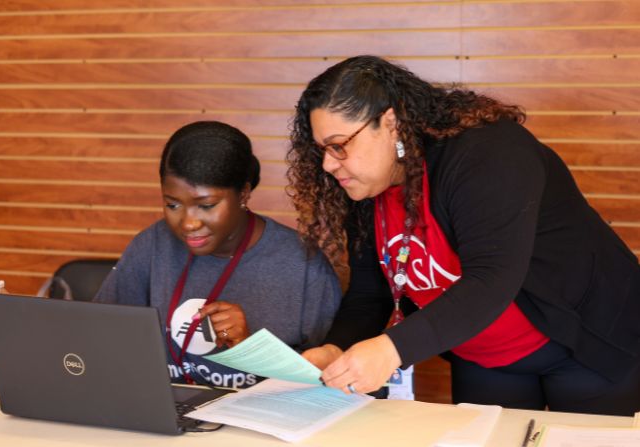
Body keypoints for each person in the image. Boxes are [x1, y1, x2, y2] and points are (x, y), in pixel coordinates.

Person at [286, 55, 640, 415]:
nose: (329, 165)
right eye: (322, 151)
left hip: (586, 342)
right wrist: (336, 348)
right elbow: (370, 292)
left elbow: (491, 278)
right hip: (482, 355)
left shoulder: (489, 154)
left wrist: (391, 349)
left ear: (390, 122)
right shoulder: (364, 185)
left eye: (339, 145)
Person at [95, 121, 341, 389]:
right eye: (172, 204)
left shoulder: (303, 266)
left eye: (207, 205)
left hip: (257, 421)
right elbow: (100, 336)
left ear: (244, 194)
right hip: (165, 414)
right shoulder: (152, 245)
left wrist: (251, 348)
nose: (188, 223)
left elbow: (326, 379)